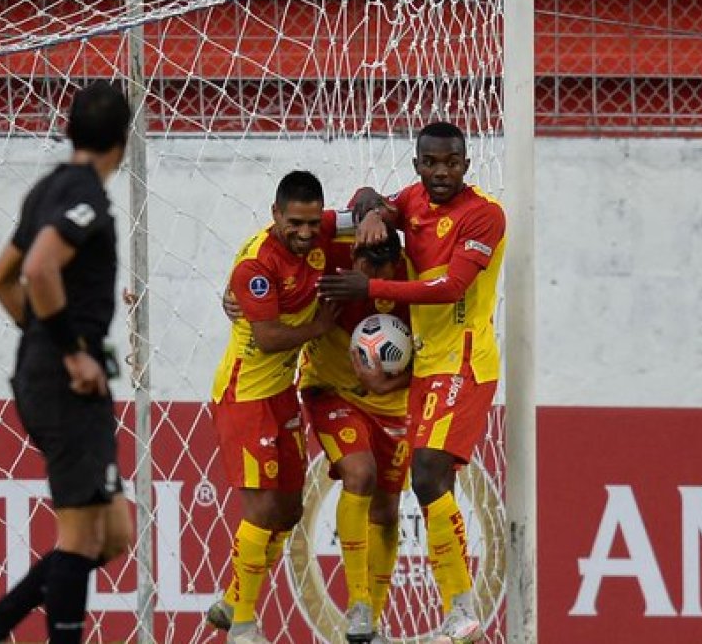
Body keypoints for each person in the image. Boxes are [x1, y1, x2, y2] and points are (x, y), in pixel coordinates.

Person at [0, 81, 134, 644]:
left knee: (114, 534)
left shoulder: (45, 189)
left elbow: (1, 278)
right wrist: (71, 354)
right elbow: (39, 269)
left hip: (46, 375)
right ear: (122, 144)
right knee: (80, 539)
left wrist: (40, 345)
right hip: (68, 385)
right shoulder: (85, 197)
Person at [319, 121, 506, 644]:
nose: (441, 172)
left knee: (427, 476)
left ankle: (462, 607)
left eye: (451, 162)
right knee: (424, 482)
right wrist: (371, 210)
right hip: (426, 365)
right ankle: (458, 611)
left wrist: (369, 284)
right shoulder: (414, 199)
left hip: (464, 363)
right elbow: (367, 197)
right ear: (418, 164)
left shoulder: (484, 215)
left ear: (466, 164)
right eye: (431, 162)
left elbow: (452, 287)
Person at [213, 230, 412, 644]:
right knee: (359, 475)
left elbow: (438, 349)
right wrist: (235, 293)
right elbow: (271, 259)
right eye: (362, 262)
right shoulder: (328, 258)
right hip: (329, 392)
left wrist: (392, 384)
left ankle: (367, 621)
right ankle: (354, 606)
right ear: (352, 251)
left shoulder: (418, 283)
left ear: (397, 263)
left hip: (393, 404)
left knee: (381, 511)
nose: (367, 274)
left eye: (380, 266)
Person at [208, 170, 341, 644]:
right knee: (262, 507)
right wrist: (320, 327)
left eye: (312, 223)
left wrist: (369, 209)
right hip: (246, 396)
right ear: (275, 216)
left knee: (287, 511)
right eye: (294, 224)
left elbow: (364, 214)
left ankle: (231, 599)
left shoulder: (322, 230)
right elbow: (266, 339)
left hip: (282, 392)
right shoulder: (256, 266)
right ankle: (242, 623)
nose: (305, 233)